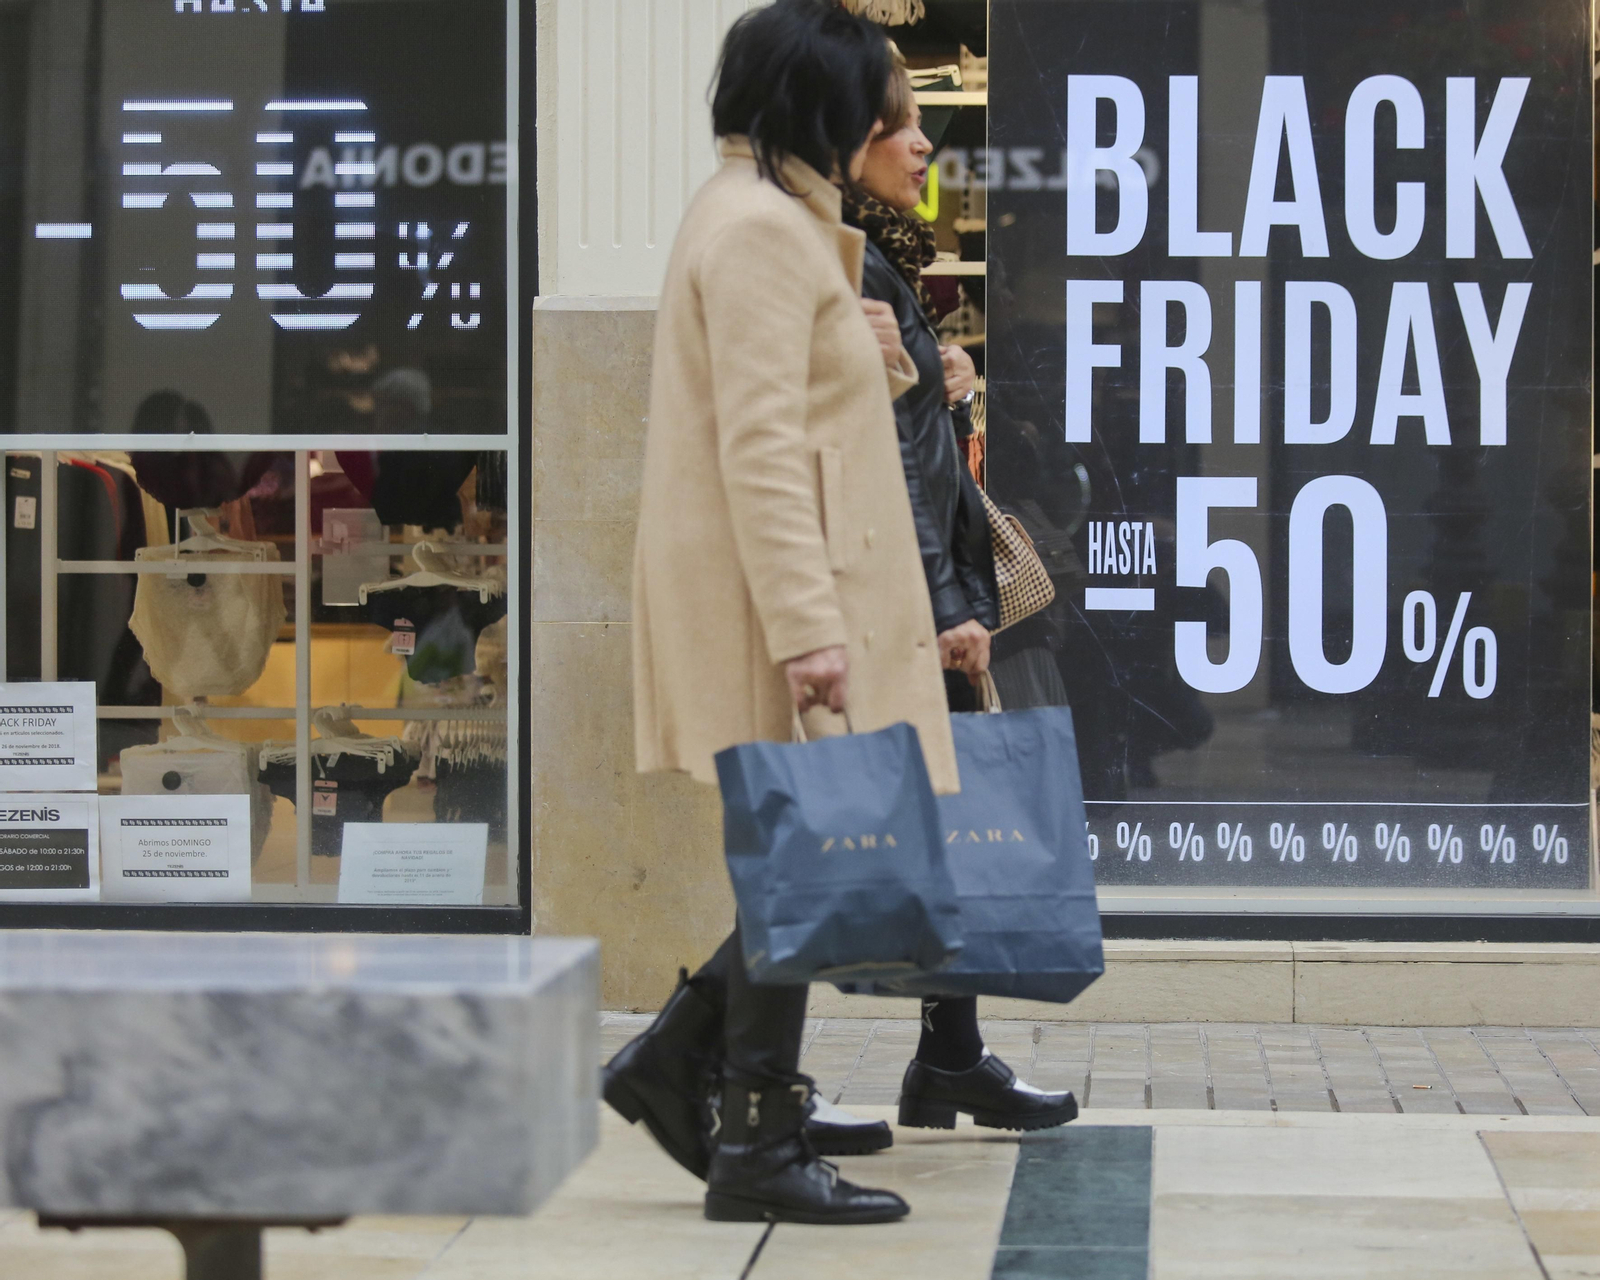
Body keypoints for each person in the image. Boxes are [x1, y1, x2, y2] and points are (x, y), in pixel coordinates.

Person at [603, 0, 958, 1226]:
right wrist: (808, 629)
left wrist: (872, 349)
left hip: (777, 595)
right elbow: (759, 448)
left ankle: (695, 1074)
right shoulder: (762, 227)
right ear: (818, 102)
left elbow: (798, 404)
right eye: (868, 100)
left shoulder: (761, 214)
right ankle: (752, 1126)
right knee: (806, 863)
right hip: (781, 607)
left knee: (801, 862)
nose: (885, 123)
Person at [841, 49, 1079, 1134]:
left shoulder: (884, 259)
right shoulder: (850, 262)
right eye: (900, 127)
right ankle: (711, 1051)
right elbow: (886, 455)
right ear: (848, 145)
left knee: (936, 823)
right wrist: (948, 606)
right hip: (897, 592)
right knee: (879, 834)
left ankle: (950, 1055)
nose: (924, 145)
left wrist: (953, 393)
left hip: (912, 583)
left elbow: (913, 440)